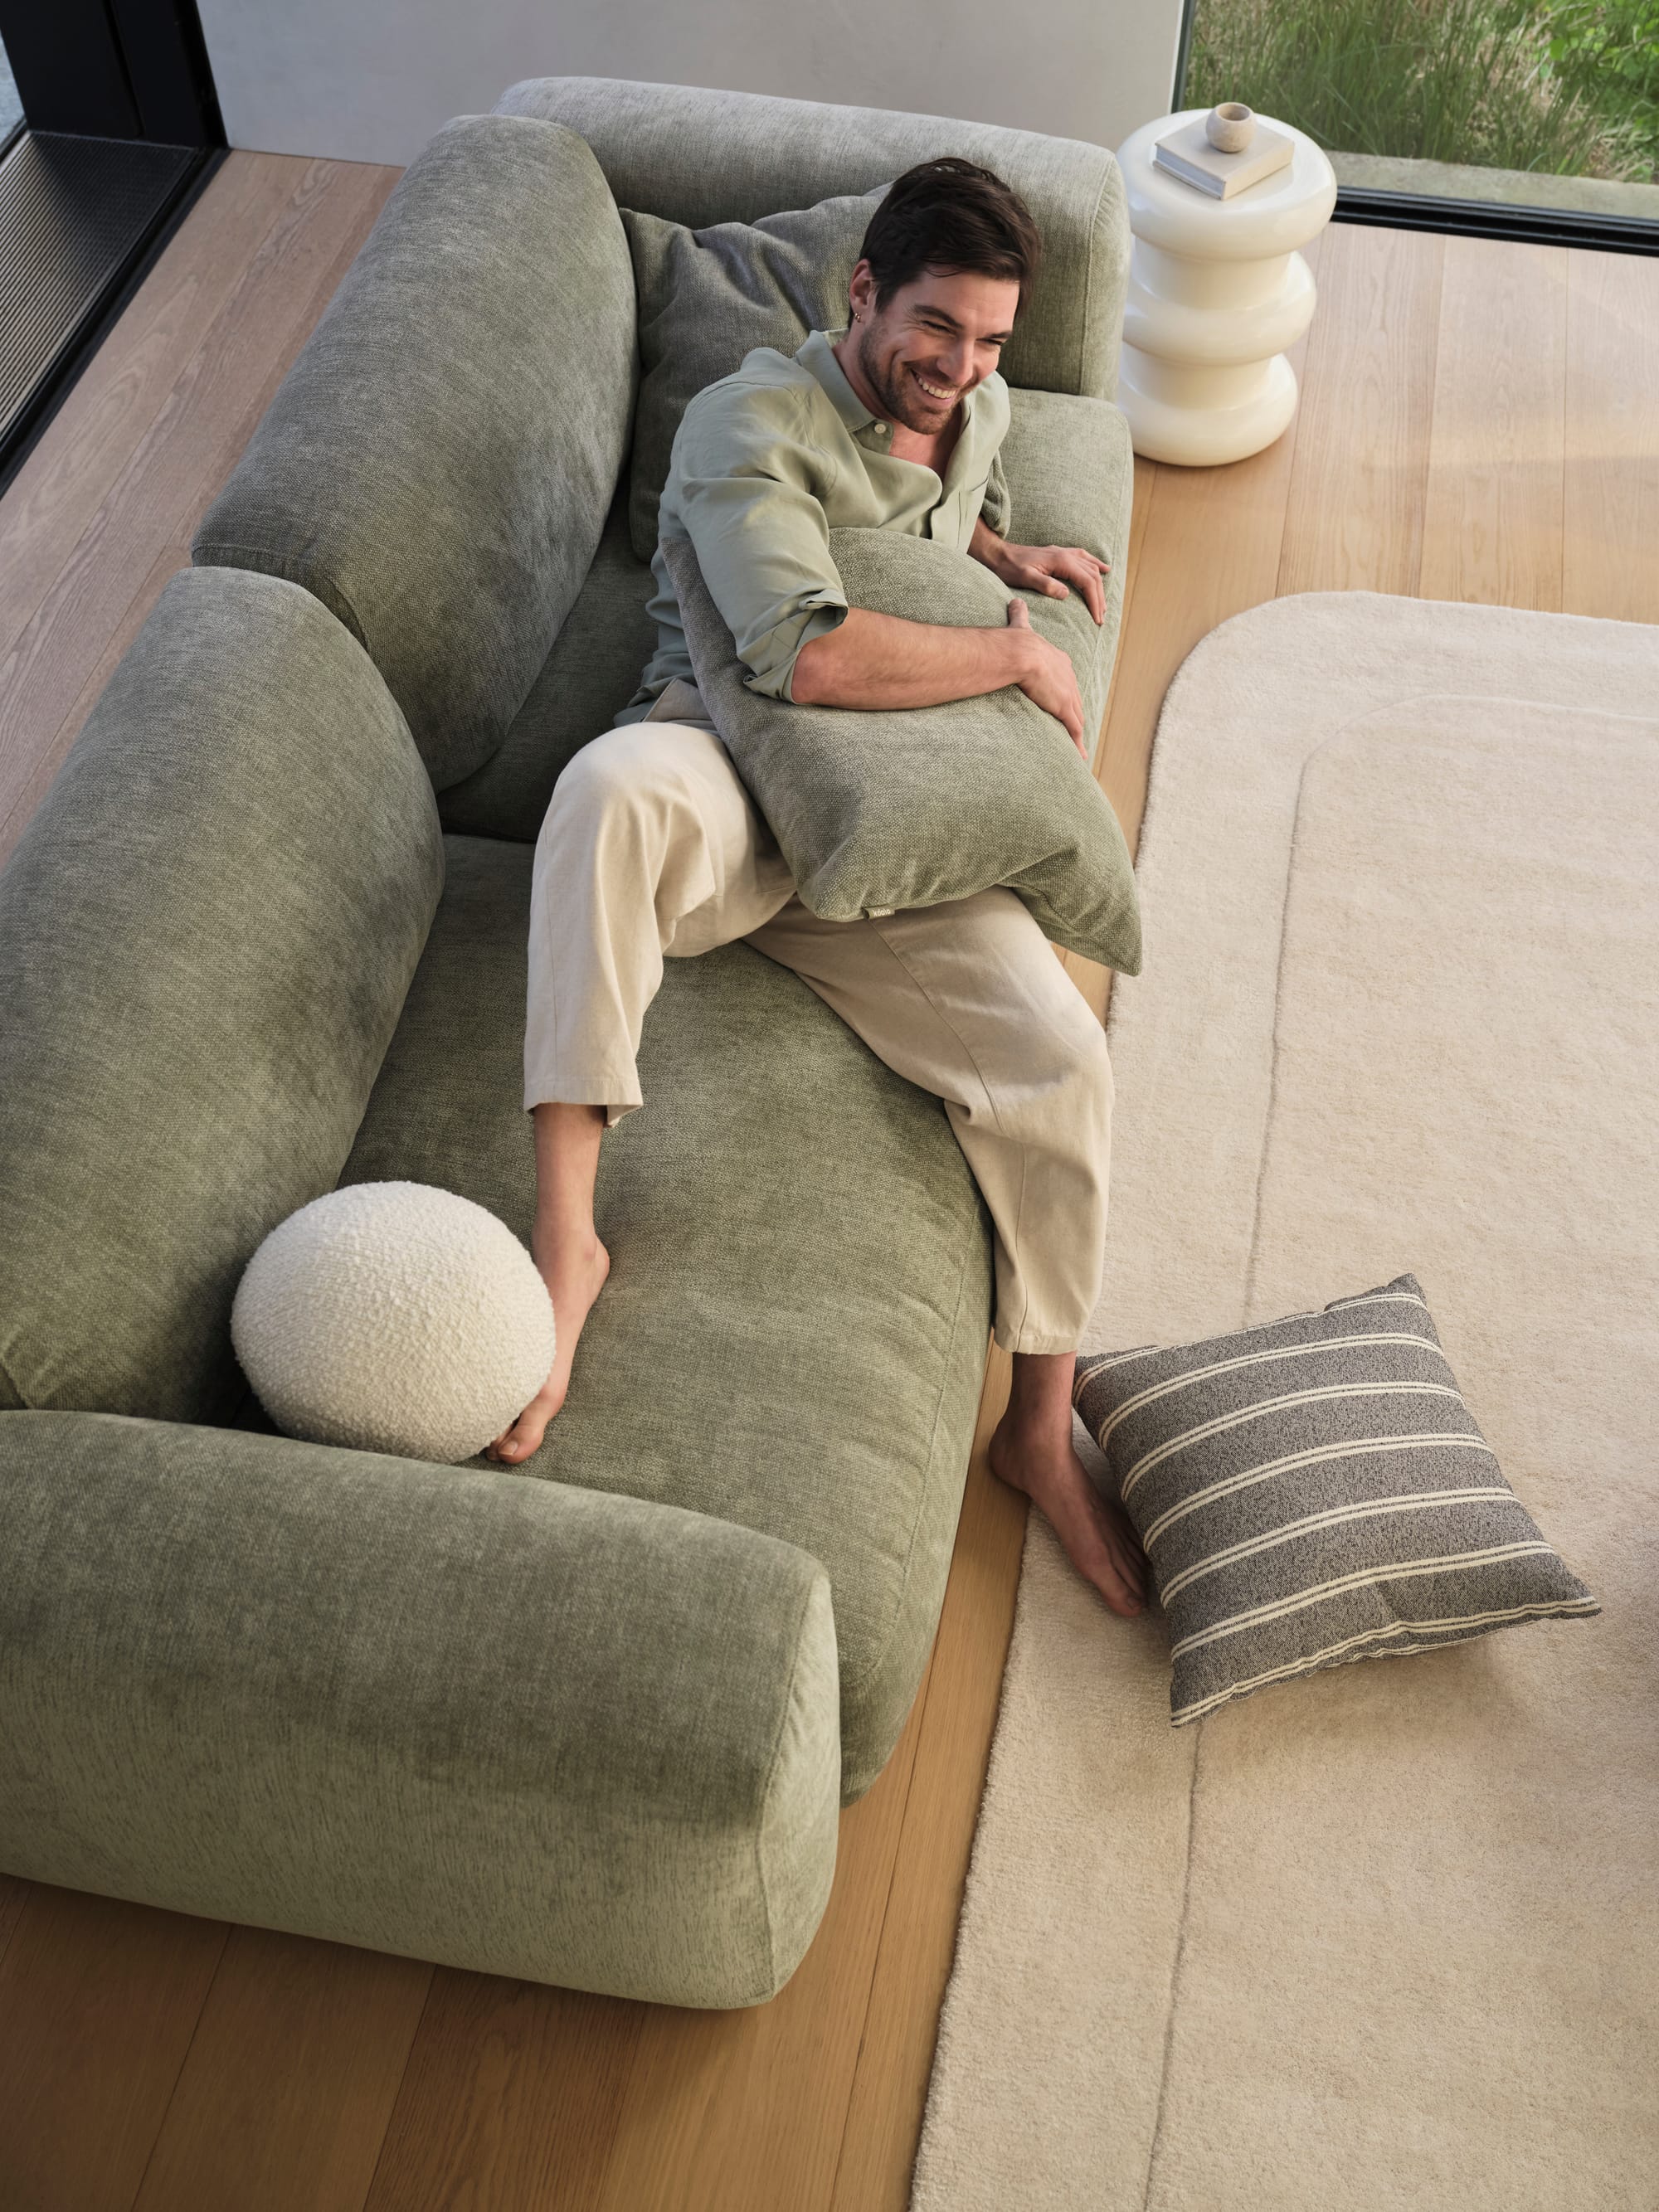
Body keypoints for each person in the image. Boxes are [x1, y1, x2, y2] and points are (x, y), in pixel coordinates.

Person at [487, 157, 1146, 1620]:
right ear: (861, 290)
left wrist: (1001, 553)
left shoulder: (974, 411)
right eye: (935, 330)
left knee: (1061, 1055)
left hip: (883, 831)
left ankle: (1036, 1430)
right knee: (600, 795)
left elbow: (930, 517)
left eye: (988, 341)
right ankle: (567, 1239)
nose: (960, 368)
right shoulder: (746, 426)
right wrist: (1018, 651)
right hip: (726, 776)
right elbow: (808, 654)